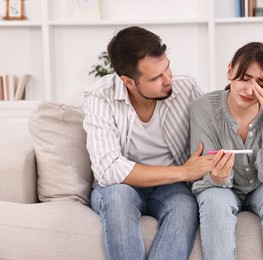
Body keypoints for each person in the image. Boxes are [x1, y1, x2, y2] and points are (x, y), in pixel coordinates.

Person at [83, 26, 213, 260]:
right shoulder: (100, 95)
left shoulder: (188, 87)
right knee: (116, 198)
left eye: (167, 68)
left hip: (172, 187)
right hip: (120, 187)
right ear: (129, 82)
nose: (168, 80)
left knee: (184, 206)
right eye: (155, 77)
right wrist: (183, 172)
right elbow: (109, 169)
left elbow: (222, 121)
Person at [190, 42, 263, 260]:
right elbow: (204, 174)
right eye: (244, 79)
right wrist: (217, 176)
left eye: (260, 84)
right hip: (220, 187)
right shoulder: (203, 108)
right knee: (214, 200)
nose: (250, 90)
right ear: (230, 71)